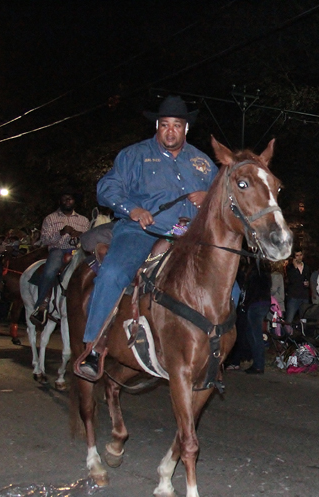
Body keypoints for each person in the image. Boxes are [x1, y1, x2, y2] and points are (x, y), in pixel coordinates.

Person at [76, 95, 217, 380]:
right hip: (141, 232)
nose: (170, 131)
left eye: (176, 125)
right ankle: (94, 345)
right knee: (114, 272)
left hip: (188, 239)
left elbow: (225, 200)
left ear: (186, 128)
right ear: (157, 125)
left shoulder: (203, 163)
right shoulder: (134, 155)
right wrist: (133, 209)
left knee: (230, 289)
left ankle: (214, 350)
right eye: (165, 124)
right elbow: (107, 188)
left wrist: (210, 197)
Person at [30, 192, 90, 326]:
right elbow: (45, 239)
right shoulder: (50, 219)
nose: (67, 201)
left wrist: (80, 234)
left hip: (79, 251)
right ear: (60, 201)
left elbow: (88, 238)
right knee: (50, 271)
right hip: (59, 250)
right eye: (64, 199)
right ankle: (41, 307)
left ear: (74, 201)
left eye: (70, 198)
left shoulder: (83, 220)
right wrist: (61, 232)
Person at [242, 261, 272, 374]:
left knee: (255, 335)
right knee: (254, 334)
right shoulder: (266, 276)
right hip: (264, 303)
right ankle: (257, 362)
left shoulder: (254, 275)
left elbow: (251, 292)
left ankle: (258, 364)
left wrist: (246, 303)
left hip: (255, 305)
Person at [284, 248, 311, 323]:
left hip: (304, 296)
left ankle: (303, 333)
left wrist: (308, 284)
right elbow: (292, 280)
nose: (299, 257)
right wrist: (295, 268)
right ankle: (288, 333)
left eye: (300, 255)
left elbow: (307, 279)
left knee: (304, 319)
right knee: (289, 319)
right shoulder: (289, 268)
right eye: (297, 255)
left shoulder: (306, 267)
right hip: (294, 296)